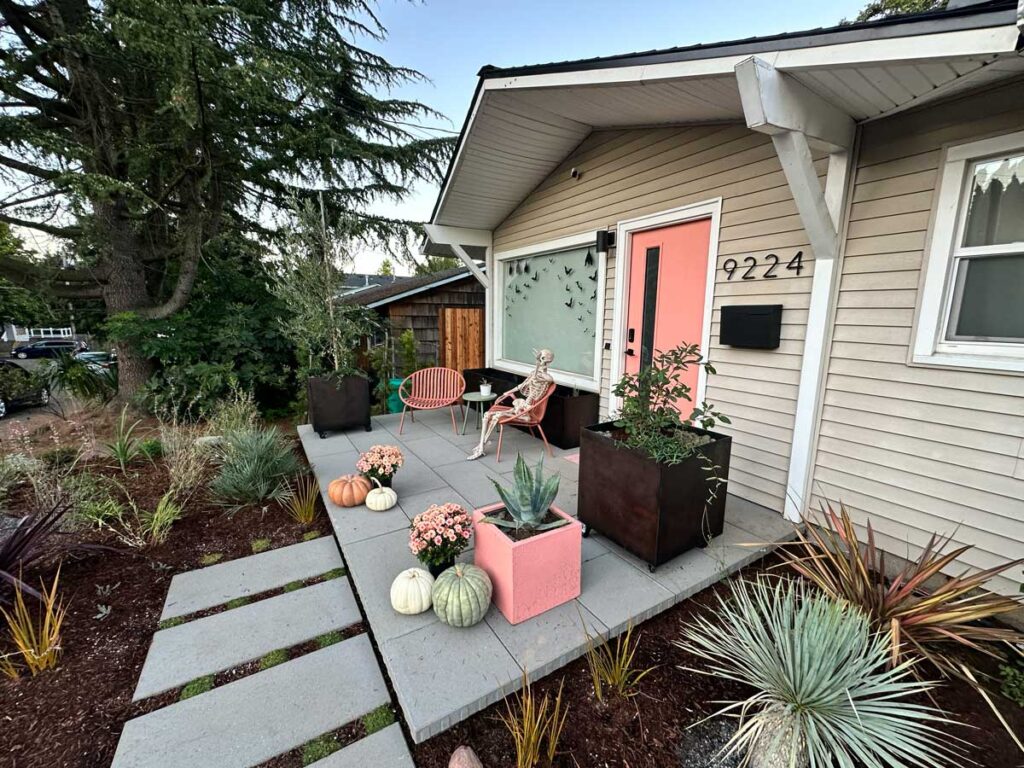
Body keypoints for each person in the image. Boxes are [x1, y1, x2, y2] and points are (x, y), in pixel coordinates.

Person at [467, 348, 554, 460]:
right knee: (487, 415)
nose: (539, 361)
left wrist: (539, 368)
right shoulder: (534, 374)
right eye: (539, 358)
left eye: (542, 359)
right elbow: (522, 385)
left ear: (547, 361)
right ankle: (481, 445)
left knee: (495, 416)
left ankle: (481, 448)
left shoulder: (545, 378)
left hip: (528, 411)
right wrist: (507, 392)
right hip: (523, 406)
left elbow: (548, 379)